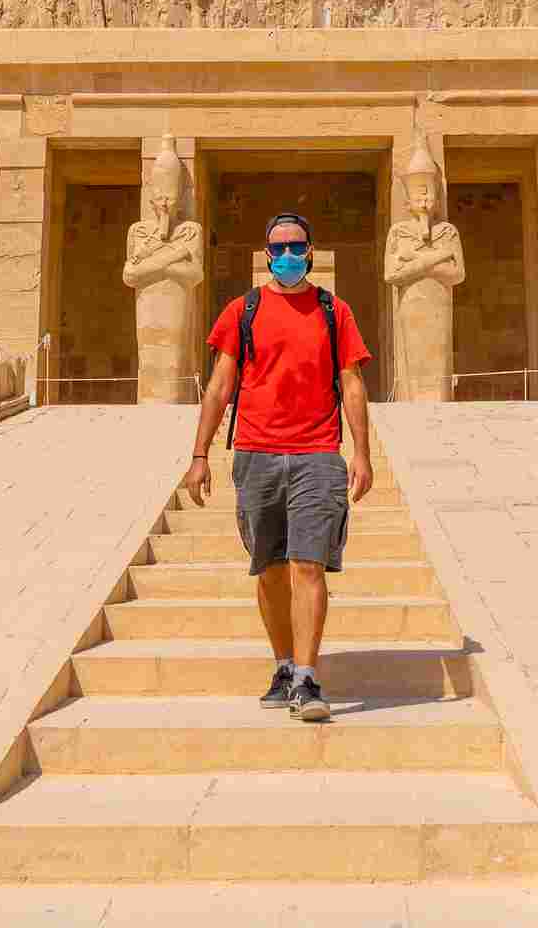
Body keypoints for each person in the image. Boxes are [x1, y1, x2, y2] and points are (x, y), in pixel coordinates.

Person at [181, 210, 375, 723]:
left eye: (296, 246)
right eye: (278, 248)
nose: (287, 255)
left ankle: (308, 679)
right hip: (256, 451)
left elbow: (352, 383)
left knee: (309, 564)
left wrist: (362, 453)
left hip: (316, 452)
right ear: (267, 254)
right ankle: (285, 665)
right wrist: (199, 455)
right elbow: (220, 385)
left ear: (310, 251)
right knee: (268, 568)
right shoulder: (242, 310)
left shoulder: (334, 311)